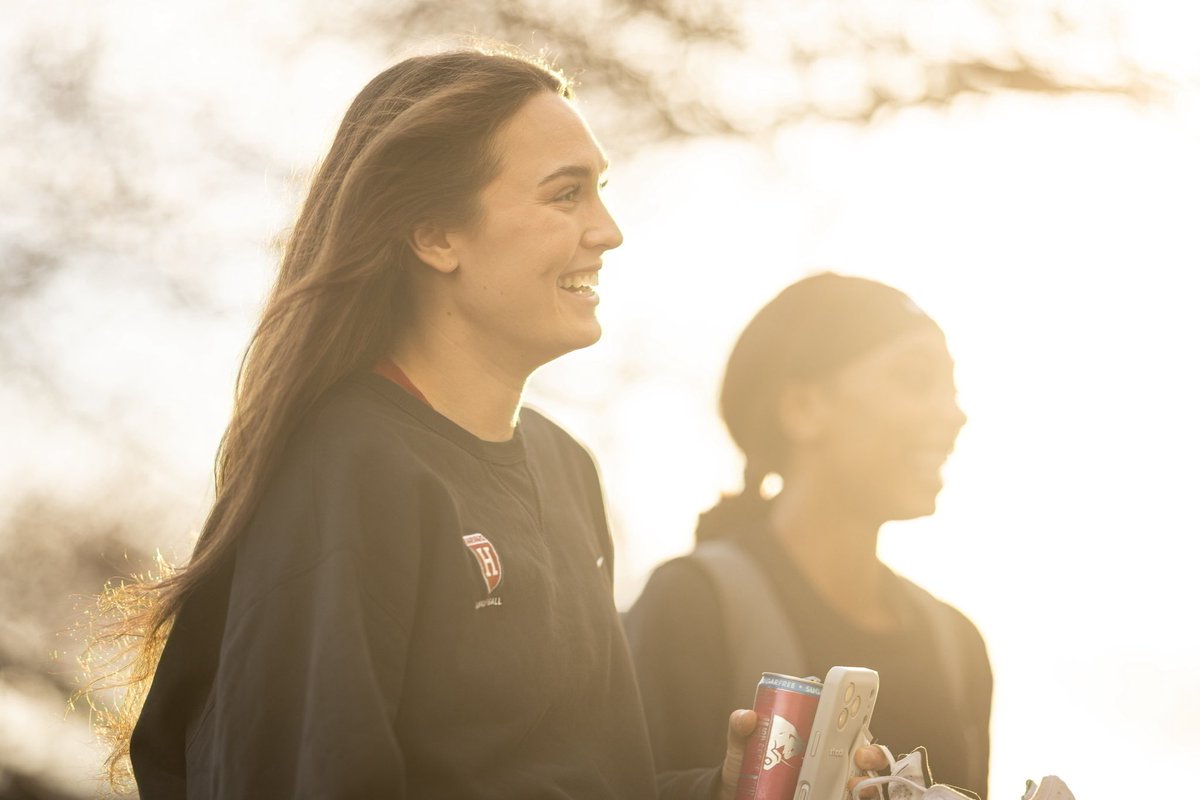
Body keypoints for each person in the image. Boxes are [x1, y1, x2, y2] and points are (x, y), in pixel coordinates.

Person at [94, 46, 760, 799]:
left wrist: (724, 789)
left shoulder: (565, 466)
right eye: (565, 195)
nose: (609, 231)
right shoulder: (346, 467)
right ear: (435, 234)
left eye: (600, 190)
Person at [624, 273, 993, 797]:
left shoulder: (958, 644)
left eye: (951, 388)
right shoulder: (693, 602)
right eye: (915, 380)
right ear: (802, 408)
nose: (954, 414)